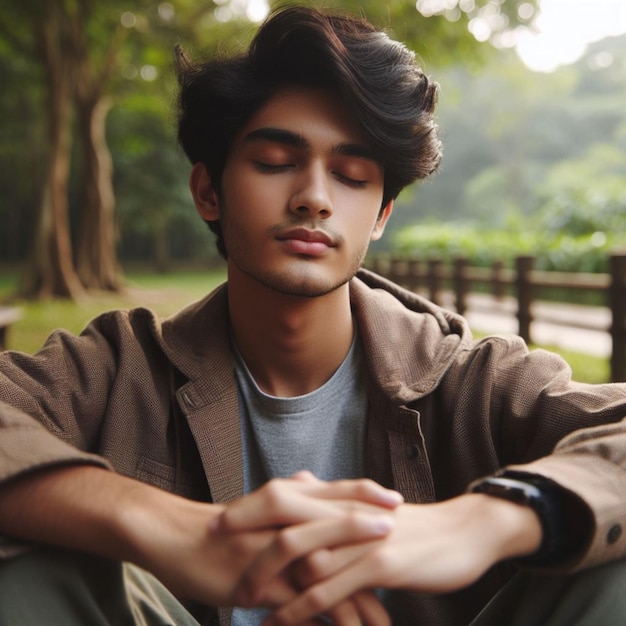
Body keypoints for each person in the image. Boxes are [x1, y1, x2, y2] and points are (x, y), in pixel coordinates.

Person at [1, 5, 626, 626]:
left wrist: (483, 522)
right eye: (275, 162)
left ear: (382, 213)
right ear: (208, 192)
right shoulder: (116, 369)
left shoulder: (475, 382)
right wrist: (168, 527)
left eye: (352, 176)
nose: (314, 199)